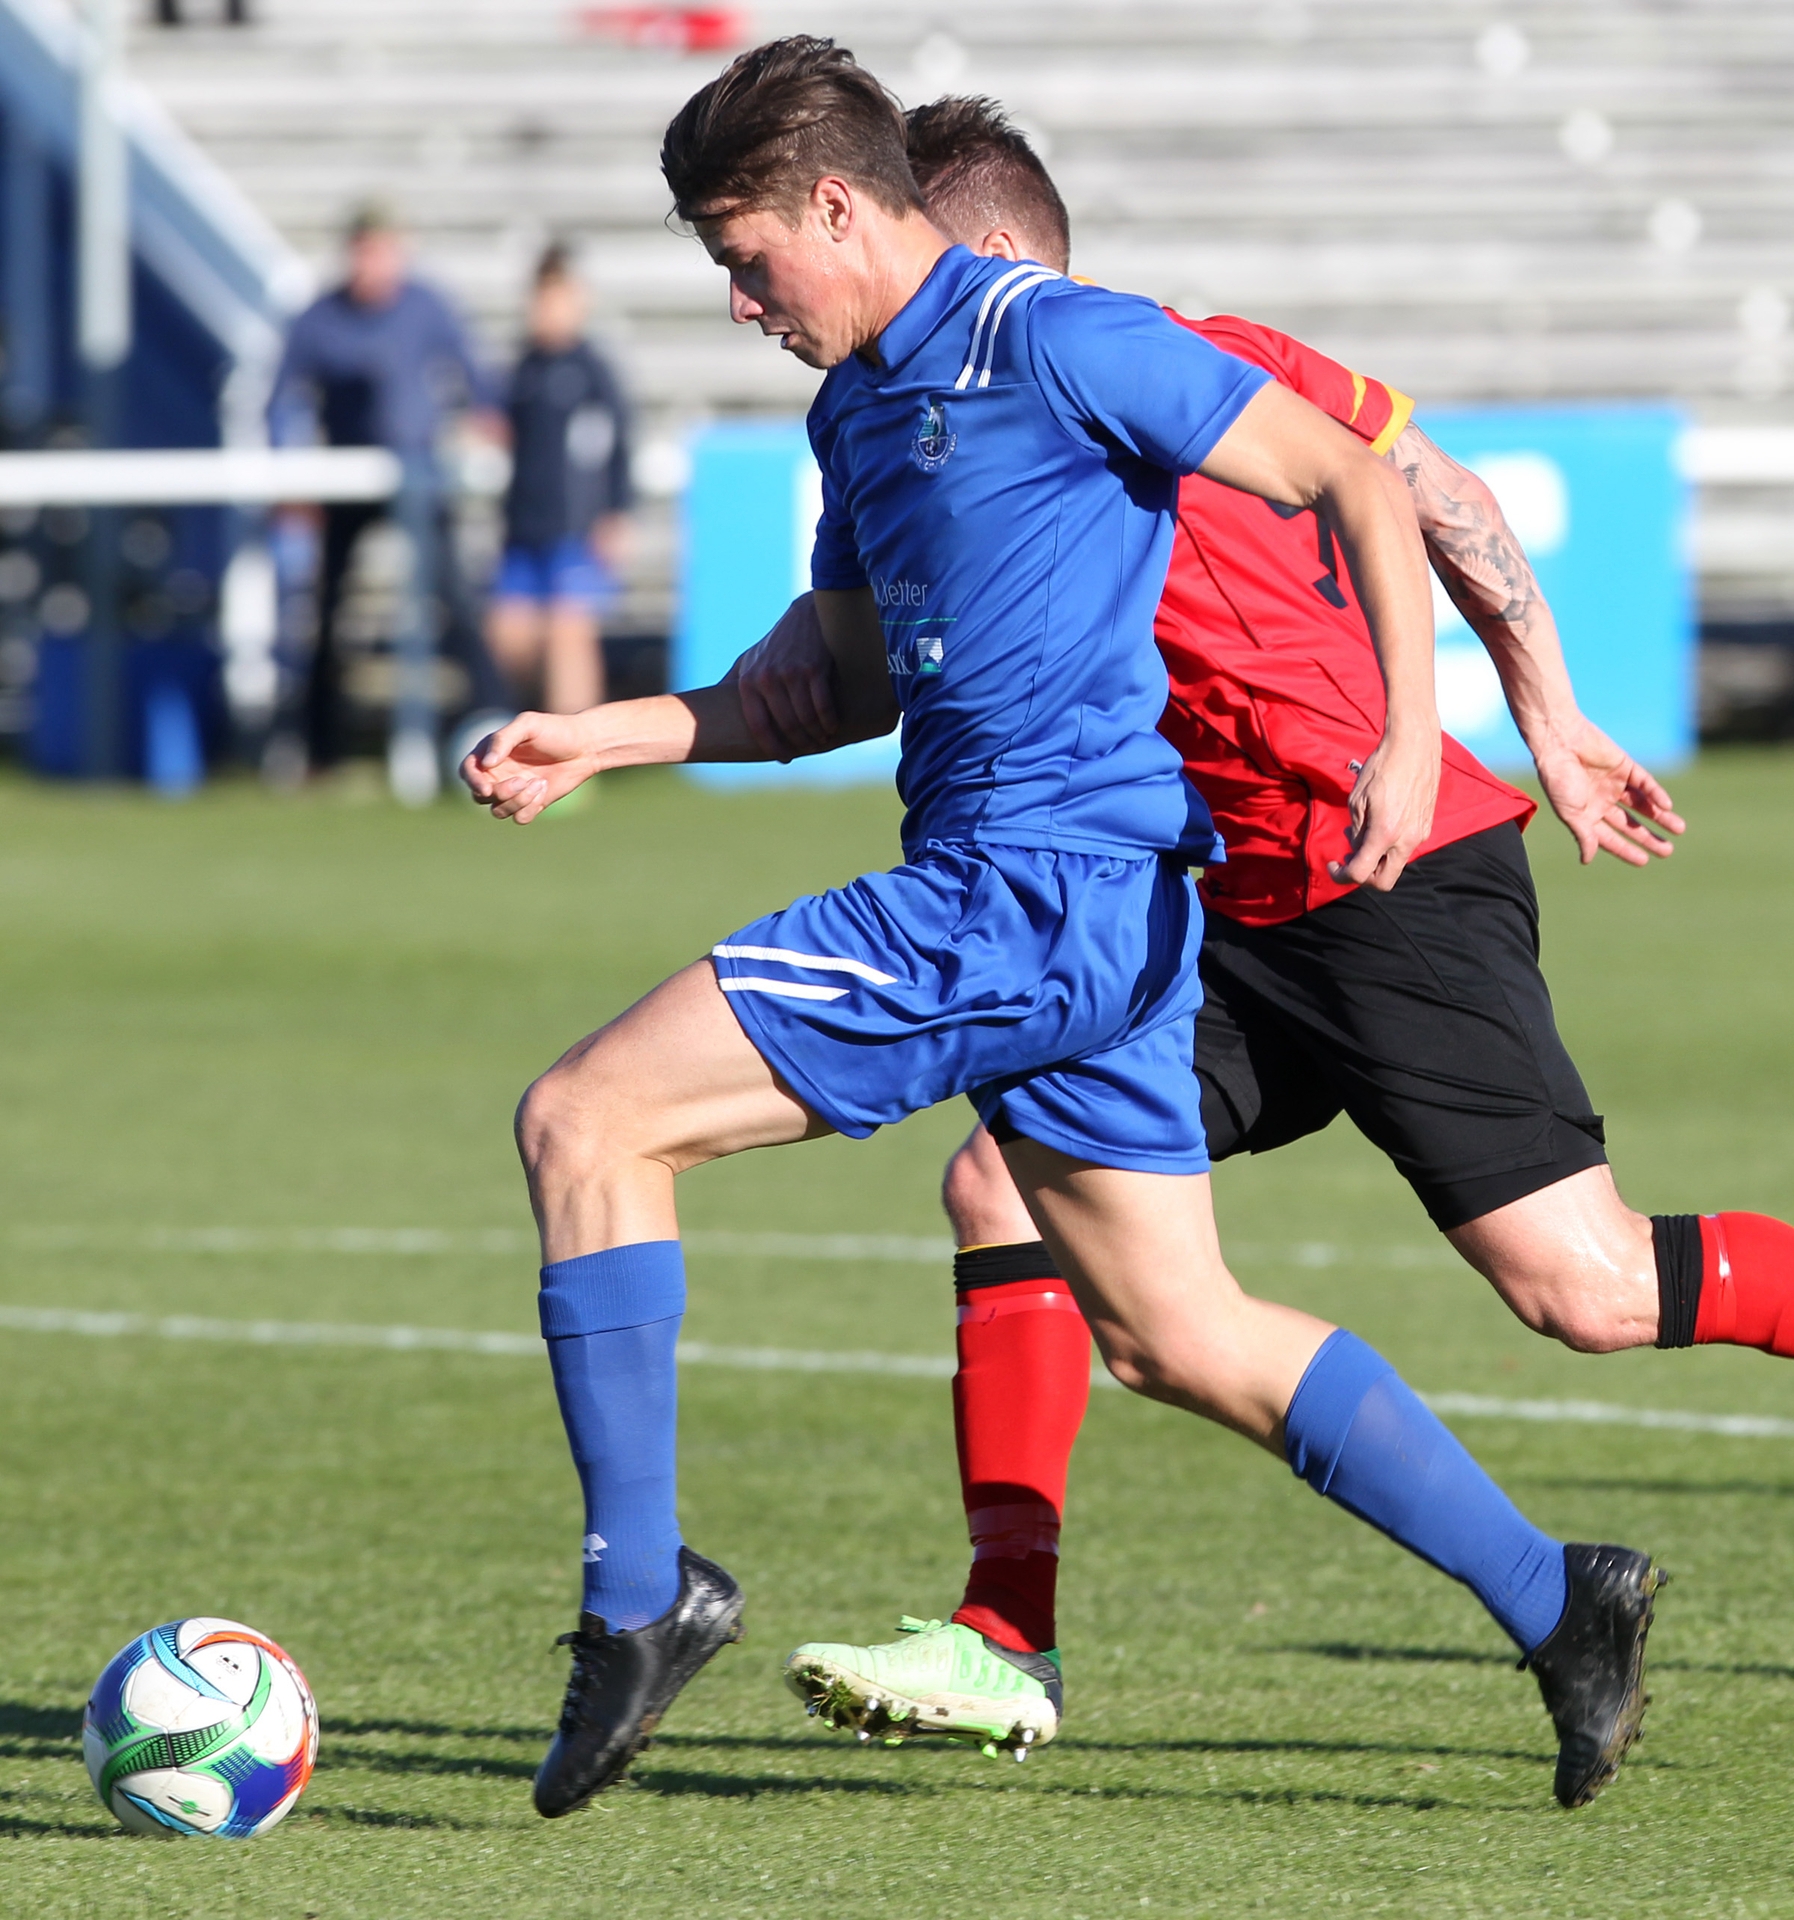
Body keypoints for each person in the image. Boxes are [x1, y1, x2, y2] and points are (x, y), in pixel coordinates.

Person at [463, 37, 1657, 1821]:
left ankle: (640, 1595)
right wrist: (611, 735)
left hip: (1019, 895)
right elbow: (833, 684)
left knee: (584, 1122)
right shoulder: (852, 407)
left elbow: (1349, 473)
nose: (736, 301)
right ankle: (1556, 1597)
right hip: (1098, 933)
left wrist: (1424, 735)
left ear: (838, 208)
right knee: (1177, 1334)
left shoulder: (1050, 338)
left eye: (745, 256)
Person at [729, 94, 1789, 1789]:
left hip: (1389, 876)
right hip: (1212, 907)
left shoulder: (1159, 360)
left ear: (981, 254)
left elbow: (1415, 488)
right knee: (1003, 1186)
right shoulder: (928, 429)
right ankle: (1005, 1635)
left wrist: (1546, 714)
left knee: (1580, 1292)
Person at [267, 206, 510, 773]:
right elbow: (281, 398)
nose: (372, 266)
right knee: (327, 612)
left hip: (420, 479)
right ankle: (318, 749)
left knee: (454, 599)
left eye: (382, 252)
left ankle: (497, 725)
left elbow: (476, 376)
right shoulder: (319, 318)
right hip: (346, 483)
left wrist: (487, 417)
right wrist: (288, 477)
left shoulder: (426, 306)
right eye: (363, 252)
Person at [487, 244, 636, 717]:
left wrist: (616, 514)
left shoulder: (591, 371)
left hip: (576, 528)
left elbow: (619, 446)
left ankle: (575, 750)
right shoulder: (522, 370)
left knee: (569, 634)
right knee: (507, 634)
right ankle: (531, 729)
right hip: (523, 529)